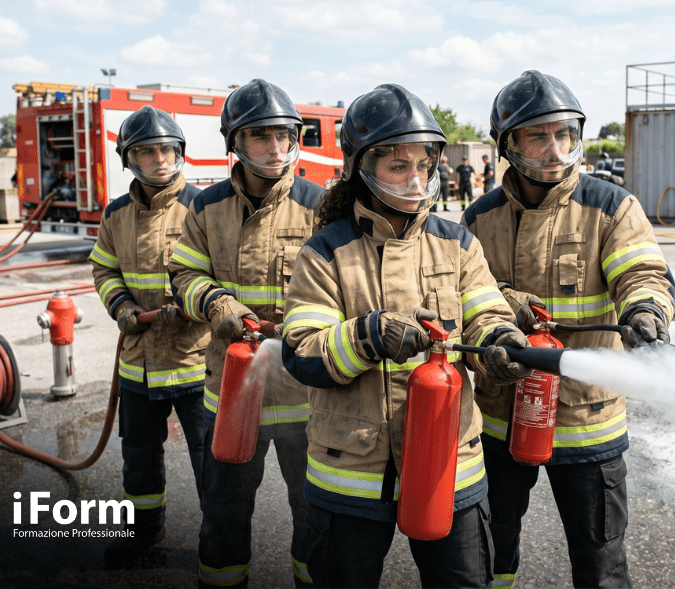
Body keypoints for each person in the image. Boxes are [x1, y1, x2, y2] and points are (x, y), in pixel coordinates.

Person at [281, 83, 532, 589]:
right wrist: (366, 335)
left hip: (448, 465)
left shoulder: (458, 243)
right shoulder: (325, 252)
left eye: (424, 164)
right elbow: (302, 351)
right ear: (361, 169)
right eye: (399, 166)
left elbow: (485, 313)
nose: (416, 178)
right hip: (350, 472)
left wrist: (500, 345)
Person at [463, 70, 675, 588]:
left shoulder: (611, 207)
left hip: (589, 417)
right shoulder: (477, 219)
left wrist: (646, 311)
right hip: (501, 415)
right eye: (537, 135)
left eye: (565, 133)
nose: (556, 148)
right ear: (508, 144)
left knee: (599, 560)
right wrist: (506, 302)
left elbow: (643, 273)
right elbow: (458, 297)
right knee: (492, 551)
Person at [168, 79, 323, 588]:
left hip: (308, 396)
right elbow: (184, 275)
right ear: (233, 142)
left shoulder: (323, 207)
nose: (276, 148)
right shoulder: (205, 207)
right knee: (224, 511)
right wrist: (217, 303)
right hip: (232, 390)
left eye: (284, 134)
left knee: (315, 516)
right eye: (260, 136)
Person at [88, 105, 208, 563]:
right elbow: (103, 266)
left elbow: (220, 274)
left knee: (209, 460)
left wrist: (190, 307)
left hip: (195, 359)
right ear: (129, 160)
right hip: (138, 361)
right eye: (145, 152)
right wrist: (121, 307)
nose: (159, 159)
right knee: (138, 456)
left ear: (179, 152)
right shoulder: (116, 214)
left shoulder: (204, 205)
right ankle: (143, 533)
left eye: (166, 149)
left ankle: (216, 540)